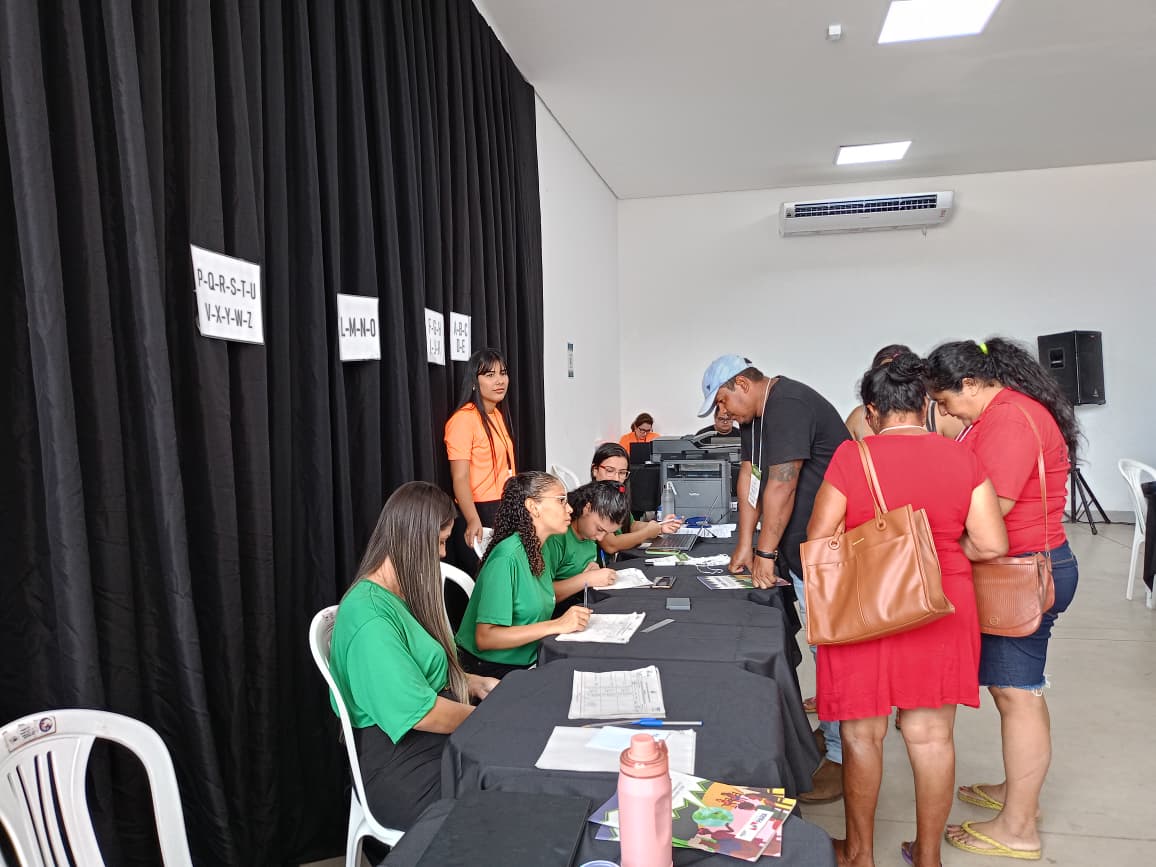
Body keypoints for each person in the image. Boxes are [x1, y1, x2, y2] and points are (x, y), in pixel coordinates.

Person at [807, 353, 1008, 867]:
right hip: (941, 605)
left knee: (862, 734)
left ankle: (858, 854)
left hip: (864, 607)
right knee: (932, 737)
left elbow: (820, 538)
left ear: (872, 411)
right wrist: (931, 554)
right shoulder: (963, 457)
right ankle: (928, 857)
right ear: (925, 404)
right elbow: (990, 543)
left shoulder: (853, 458)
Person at [926, 339, 1080, 862]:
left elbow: (996, 510)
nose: (946, 412)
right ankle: (1019, 794)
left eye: (947, 401)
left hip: (1024, 570)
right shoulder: (1006, 412)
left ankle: (1018, 826)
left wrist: (943, 552)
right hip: (1020, 566)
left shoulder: (1010, 420)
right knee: (1010, 691)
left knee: (1019, 695)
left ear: (971, 383)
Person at [697, 354, 851, 802]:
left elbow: (782, 482)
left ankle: (844, 758)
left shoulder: (787, 403)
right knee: (823, 649)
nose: (723, 413)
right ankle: (833, 734)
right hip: (802, 550)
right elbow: (751, 476)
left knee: (833, 652)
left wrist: (764, 550)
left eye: (724, 401)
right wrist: (744, 545)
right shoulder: (758, 417)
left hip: (827, 551)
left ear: (743, 384)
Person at [327, 482, 501, 831]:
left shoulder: (398, 596)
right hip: (404, 768)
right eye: (438, 542)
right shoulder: (369, 618)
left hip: (431, 741)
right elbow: (419, 712)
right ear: (412, 539)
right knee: (511, 790)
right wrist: (492, 721)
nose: (441, 554)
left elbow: (419, 672)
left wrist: (474, 681)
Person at [455, 471, 592, 678]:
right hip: (491, 670)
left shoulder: (541, 548)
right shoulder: (507, 558)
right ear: (532, 506)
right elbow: (486, 638)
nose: (570, 509)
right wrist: (556, 625)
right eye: (561, 501)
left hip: (530, 659)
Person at [445, 348, 516, 563]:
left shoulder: (496, 414)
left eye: (503, 373)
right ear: (474, 381)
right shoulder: (464, 419)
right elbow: (460, 477)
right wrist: (472, 518)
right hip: (481, 510)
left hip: (505, 505)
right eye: (490, 375)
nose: (499, 381)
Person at [844, 344, 965, 442]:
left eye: (902, 382)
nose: (895, 389)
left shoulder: (942, 415)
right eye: (887, 380)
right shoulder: (858, 418)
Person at [589, 443, 683, 555]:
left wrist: (660, 527)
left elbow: (631, 525)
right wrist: (647, 532)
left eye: (622, 473)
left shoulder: (616, 497)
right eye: (609, 471)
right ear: (595, 470)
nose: (616, 478)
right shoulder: (590, 501)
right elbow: (611, 545)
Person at [545, 480, 630, 587]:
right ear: (587, 508)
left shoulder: (588, 535)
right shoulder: (557, 538)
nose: (600, 538)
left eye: (608, 533)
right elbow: (544, 595)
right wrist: (586, 579)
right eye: (599, 529)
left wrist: (591, 573)